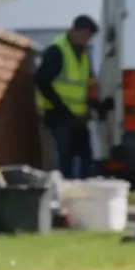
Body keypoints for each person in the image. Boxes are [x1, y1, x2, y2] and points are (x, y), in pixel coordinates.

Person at [35, 15, 100, 180]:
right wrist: (60, 107)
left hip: (78, 118)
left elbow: (87, 83)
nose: (87, 40)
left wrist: (94, 105)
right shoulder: (57, 50)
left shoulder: (83, 55)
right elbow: (41, 80)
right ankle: (62, 195)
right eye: (86, 35)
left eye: (90, 37)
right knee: (63, 160)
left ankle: (81, 193)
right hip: (59, 116)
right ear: (75, 30)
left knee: (85, 157)